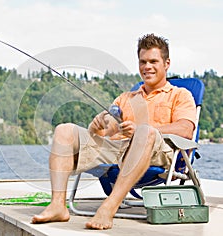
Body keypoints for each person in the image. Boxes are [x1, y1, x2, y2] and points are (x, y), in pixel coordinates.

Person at [31, 33, 196, 230]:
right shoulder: (126, 98)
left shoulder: (180, 95)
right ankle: (58, 205)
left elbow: (185, 129)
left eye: (153, 61)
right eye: (143, 61)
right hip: (120, 150)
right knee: (64, 130)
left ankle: (109, 207)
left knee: (144, 132)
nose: (147, 66)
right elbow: (108, 130)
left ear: (166, 63)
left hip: (160, 151)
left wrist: (144, 130)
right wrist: (99, 125)